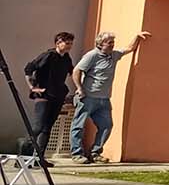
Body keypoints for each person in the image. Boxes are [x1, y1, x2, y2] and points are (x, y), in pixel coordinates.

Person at [70, 30, 151, 163]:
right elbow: (77, 71)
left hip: (104, 99)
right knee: (78, 126)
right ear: (101, 44)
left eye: (113, 42)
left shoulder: (113, 55)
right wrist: (79, 88)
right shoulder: (92, 56)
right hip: (88, 97)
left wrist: (136, 36)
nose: (112, 45)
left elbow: (129, 49)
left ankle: (95, 153)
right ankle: (77, 154)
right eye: (109, 43)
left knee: (106, 125)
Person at [22, 31, 77, 164]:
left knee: (47, 128)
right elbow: (29, 69)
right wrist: (33, 87)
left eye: (71, 43)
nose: (69, 46)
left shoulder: (66, 58)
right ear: (58, 43)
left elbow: (73, 72)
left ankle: (40, 159)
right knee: (38, 127)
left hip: (57, 96)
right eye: (67, 43)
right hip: (44, 96)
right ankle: (23, 157)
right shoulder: (48, 55)